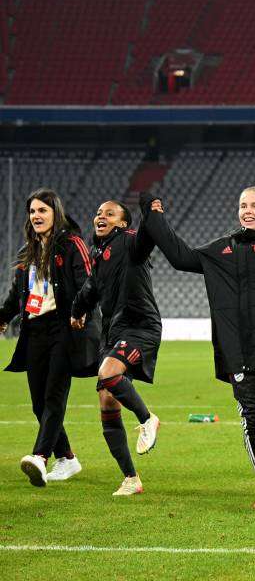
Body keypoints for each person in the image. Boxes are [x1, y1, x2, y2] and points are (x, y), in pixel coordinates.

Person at [139, 171, 255, 509]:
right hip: (237, 350)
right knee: (253, 418)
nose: (247, 210)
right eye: (243, 205)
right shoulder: (219, 250)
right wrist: (153, 216)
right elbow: (179, 256)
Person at [0, 189, 100, 486]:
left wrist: (80, 311)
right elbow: (17, 297)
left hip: (65, 329)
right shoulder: (27, 253)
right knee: (38, 404)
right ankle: (67, 459)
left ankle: (40, 457)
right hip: (35, 332)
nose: (36, 216)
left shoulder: (72, 244)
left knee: (54, 397)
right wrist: (3, 317)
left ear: (55, 213)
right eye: (32, 212)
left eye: (42, 210)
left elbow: (89, 283)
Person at [69, 200, 163, 496]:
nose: (101, 216)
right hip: (114, 333)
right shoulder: (99, 255)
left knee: (108, 372)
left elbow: (147, 238)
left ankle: (148, 419)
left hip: (139, 326)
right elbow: (90, 290)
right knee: (107, 403)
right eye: (98, 213)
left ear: (122, 223)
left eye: (109, 213)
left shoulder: (130, 241)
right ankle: (131, 479)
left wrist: (150, 213)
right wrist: (76, 311)